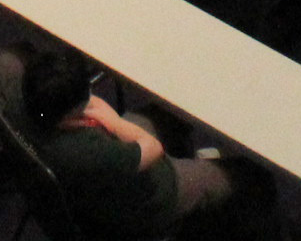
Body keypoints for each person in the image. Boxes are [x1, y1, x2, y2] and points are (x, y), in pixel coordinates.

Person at [22, 42, 247, 240]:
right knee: (247, 177)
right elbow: (152, 148)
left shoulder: (26, 109)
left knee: (169, 114)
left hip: (92, 192)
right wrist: (115, 122)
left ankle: (185, 160)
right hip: (148, 202)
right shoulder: (90, 152)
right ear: (70, 114)